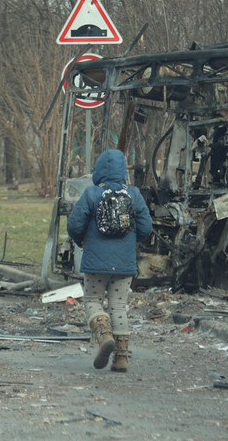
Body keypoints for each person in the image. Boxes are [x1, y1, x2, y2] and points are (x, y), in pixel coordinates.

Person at [67, 148, 152, 372]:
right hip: (124, 264)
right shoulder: (133, 194)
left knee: (93, 300)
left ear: (98, 171)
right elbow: (146, 227)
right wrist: (131, 241)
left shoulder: (92, 194)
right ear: (123, 171)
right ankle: (121, 357)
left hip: (95, 263)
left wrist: (80, 240)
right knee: (119, 307)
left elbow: (74, 224)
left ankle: (104, 336)